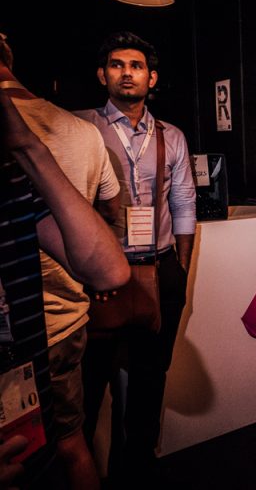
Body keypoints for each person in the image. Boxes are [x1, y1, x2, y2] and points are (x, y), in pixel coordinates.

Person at [74, 31, 196, 484]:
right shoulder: (81, 127)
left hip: (158, 267)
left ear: (152, 78)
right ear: (102, 74)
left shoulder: (172, 136)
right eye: (117, 64)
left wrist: (180, 267)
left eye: (137, 65)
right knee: (89, 382)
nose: (127, 72)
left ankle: (137, 472)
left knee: (150, 378)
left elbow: (183, 202)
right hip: (98, 275)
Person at [0, 33, 120, 490]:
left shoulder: (21, 161)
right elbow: (111, 213)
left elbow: (108, 267)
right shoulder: (85, 130)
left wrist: (28, 147)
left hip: (43, 330)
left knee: (54, 453)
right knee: (68, 447)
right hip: (62, 322)